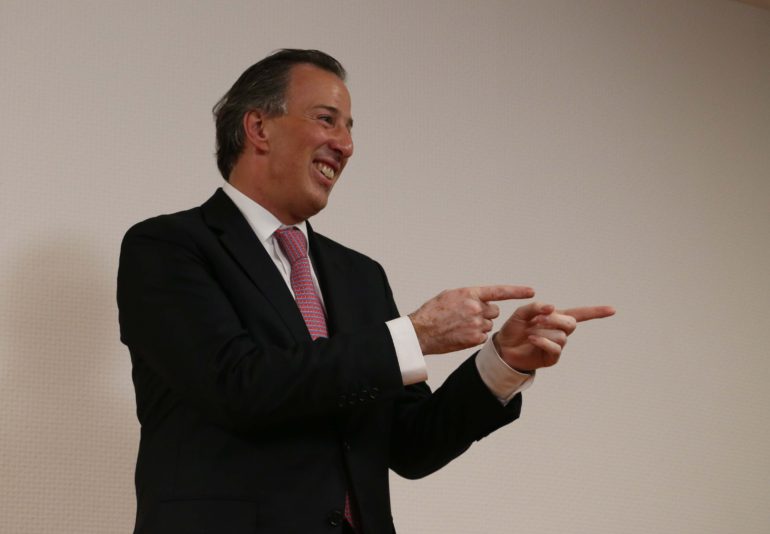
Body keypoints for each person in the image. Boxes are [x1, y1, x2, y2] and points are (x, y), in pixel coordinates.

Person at [117, 49, 614, 534]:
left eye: (350, 128)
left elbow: (412, 445)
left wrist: (502, 363)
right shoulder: (167, 247)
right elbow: (238, 386)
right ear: (259, 127)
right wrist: (414, 335)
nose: (346, 145)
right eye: (327, 120)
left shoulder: (360, 276)